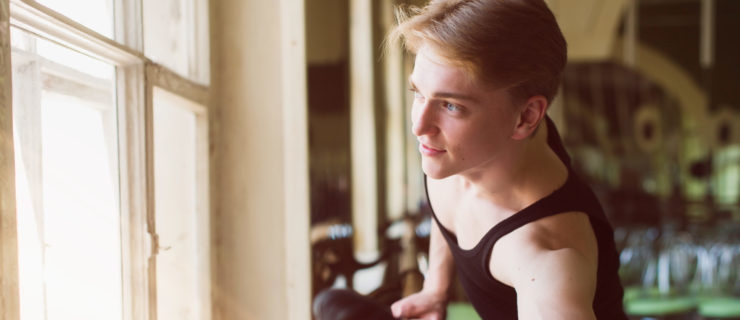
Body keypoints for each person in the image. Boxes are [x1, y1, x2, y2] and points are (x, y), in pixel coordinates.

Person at [386, 0, 627, 319]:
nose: (419, 126)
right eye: (418, 93)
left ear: (526, 116)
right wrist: (436, 288)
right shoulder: (457, 154)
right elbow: (446, 204)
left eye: (451, 106)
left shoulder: (547, 266)